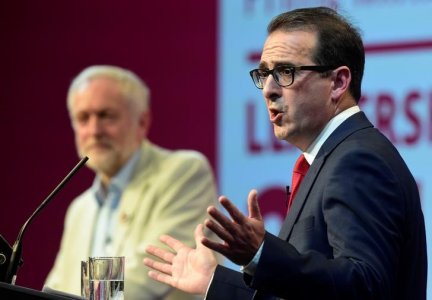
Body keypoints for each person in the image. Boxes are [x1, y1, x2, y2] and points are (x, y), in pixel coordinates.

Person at [143, 6, 427, 300]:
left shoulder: (357, 160)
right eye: (265, 73)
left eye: (285, 72)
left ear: (338, 82)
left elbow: (364, 287)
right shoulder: (330, 159)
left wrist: (262, 253)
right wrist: (214, 282)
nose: (268, 89)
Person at [44, 65, 219, 300]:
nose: (94, 130)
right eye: (83, 118)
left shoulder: (183, 172)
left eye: (106, 115)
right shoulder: (80, 209)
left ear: (142, 122)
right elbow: (55, 286)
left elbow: (149, 270)